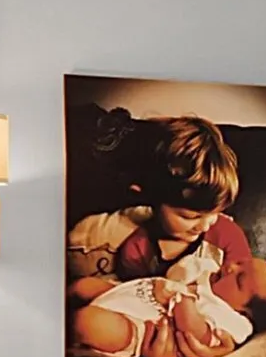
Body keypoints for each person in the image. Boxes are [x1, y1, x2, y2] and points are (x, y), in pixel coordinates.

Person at [67, 114, 252, 332]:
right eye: (191, 217)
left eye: (215, 213)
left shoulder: (228, 236)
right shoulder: (137, 249)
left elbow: (253, 295)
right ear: (151, 199)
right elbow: (137, 300)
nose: (205, 225)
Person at [73, 250, 266, 357]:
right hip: (131, 291)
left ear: (243, 312)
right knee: (82, 286)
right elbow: (178, 271)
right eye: (240, 263)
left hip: (140, 325)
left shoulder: (232, 320)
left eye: (239, 278)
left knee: (86, 322)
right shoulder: (209, 270)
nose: (230, 267)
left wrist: (184, 300)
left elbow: (198, 335)